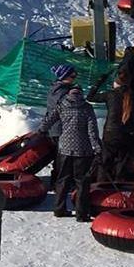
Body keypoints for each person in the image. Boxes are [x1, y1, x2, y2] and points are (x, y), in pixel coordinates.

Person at [41, 68, 100, 221]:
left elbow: (49, 120)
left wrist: (41, 130)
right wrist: (97, 147)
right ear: (81, 94)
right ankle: (81, 214)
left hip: (64, 149)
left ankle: (59, 209)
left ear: (69, 94)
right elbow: (92, 130)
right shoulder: (87, 108)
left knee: (63, 179)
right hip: (83, 151)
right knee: (82, 182)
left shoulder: (62, 105)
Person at [87, 71, 134, 181]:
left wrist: (100, 81)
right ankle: (119, 182)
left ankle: (101, 184)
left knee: (105, 160)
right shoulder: (133, 96)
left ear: (117, 83)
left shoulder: (111, 94)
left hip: (111, 132)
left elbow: (90, 97)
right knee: (121, 160)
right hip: (126, 133)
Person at [42, 63, 75, 191]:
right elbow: (62, 111)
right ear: (64, 76)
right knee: (63, 158)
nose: (74, 78)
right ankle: (59, 184)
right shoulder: (62, 92)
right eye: (72, 76)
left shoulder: (55, 89)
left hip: (56, 129)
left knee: (60, 157)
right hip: (61, 129)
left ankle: (58, 182)